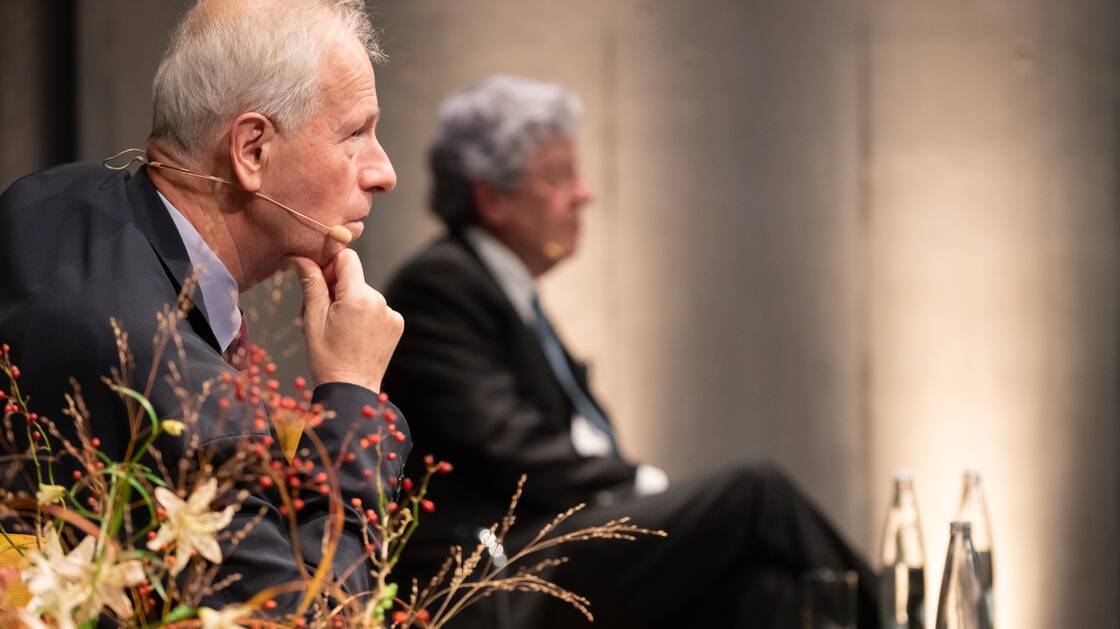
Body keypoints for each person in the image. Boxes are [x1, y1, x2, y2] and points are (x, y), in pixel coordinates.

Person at [382, 75, 881, 629]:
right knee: (754, 493)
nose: (584, 193)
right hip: (497, 567)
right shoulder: (441, 286)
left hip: (554, 541)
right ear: (493, 199)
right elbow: (507, 443)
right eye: (559, 176)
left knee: (765, 588)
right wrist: (635, 484)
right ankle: (902, 616)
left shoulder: (507, 292)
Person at [0, 0, 408, 614]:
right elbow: (311, 619)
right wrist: (353, 392)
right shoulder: (179, 391)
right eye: (355, 133)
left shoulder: (48, 197)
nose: (383, 173)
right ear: (251, 150)